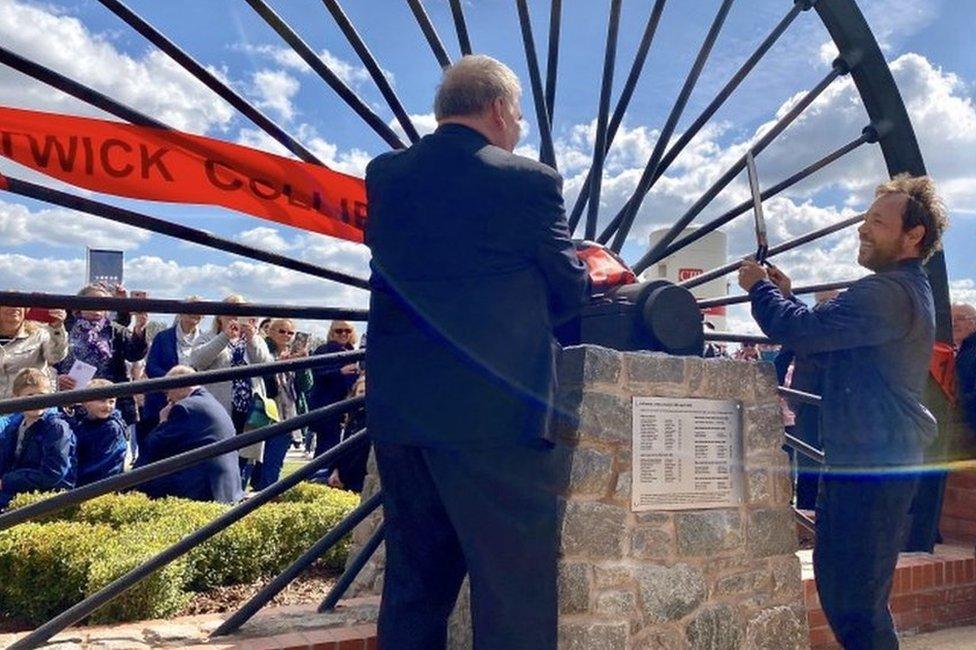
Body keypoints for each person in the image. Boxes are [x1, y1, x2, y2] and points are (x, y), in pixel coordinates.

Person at [365, 55, 589, 649]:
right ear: (496, 109)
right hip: (496, 419)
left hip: (403, 414)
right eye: (517, 116)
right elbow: (569, 291)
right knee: (513, 594)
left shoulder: (385, 175)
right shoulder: (529, 182)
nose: (517, 128)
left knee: (414, 589)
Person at [739, 174, 947, 649]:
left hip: (874, 467)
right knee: (850, 595)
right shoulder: (902, 291)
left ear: (913, 235)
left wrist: (759, 290)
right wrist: (786, 299)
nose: (863, 229)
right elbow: (827, 339)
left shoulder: (887, 292)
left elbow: (808, 335)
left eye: (877, 221)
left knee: (854, 602)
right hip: (873, 460)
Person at [190, 295, 274, 481]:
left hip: (251, 409)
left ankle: (237, 496)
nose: (235, 316)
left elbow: (266, 364)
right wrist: (224, 337)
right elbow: (197, 361)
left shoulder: (255, 339)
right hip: (218, 406)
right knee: (218, 454)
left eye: (240, 312)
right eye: (230, 312)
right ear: (219, 316)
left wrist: (252, 338)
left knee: (244, 455)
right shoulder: (207, 337)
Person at [134, 366, 243, 503]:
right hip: (226, 484)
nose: (167, 398)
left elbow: (153, 445)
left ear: (178, 386)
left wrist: (162, 421)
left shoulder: (185, 407)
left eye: (168, 391)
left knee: (144, 482)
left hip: (205, 485)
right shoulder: (208, 400)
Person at [55, 284, 148, 426]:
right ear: (79, 304)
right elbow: (50, 360)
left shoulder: (114, 330)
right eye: (92, 301)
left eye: (103, 302)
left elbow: (134, 355)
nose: (97, 306)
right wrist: (56, 379)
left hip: (109, 404)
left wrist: (139, 330)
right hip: (72, 400)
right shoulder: (64, 327)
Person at [0, 368, 76, 509]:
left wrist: (6, 480)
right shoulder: (15, 425)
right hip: (19, 487)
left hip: (49, 493)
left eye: (41, 395)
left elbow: (53, 474)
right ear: (16, 397)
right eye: (29, 396)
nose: (36, 400)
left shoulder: (56, 427)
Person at [251, 318, 313, 490]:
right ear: (270, 331)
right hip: (262, 412)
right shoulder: (262, 349)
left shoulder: (293, 354)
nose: (286, 335)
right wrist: (278, 365)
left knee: (273, 463)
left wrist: (302, 364)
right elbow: (262, 381)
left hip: (287, 415)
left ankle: (266, 497)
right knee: (250, 462)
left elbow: (305, 386)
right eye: (281, 331)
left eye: (290, 333)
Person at [140, 298, 204, 445]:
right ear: (180, 313)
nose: (195, 314)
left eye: (200, 310)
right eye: (191, 309)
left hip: (191, 403)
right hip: (160, 401)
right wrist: (175, 383)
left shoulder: (205, 340)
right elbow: (151, 366)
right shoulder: (163, 337)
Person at [306, 321, 359, 458]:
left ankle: (327, 473)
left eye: (347, 331)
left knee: (338, 444)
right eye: (339, 331)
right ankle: (319, 473)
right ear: (331, 332)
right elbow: (318, 374)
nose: (343, 334)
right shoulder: (323, 350)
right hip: (326, 404)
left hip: (345, 404)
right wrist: (340, 371)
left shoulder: (353, 352)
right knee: (327, 443)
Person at [0, 301, 68, 401]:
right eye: (7, 304)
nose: (14, 308)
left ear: (26, 310)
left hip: (31, 406)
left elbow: (56, 356)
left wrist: (56, 328)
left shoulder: (39, 333)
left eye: (19, 304)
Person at [67, 378, 127, 486]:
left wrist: (74, 478)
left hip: (101, 483)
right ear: (86, 402)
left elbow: (105, 464)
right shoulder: (84, 423)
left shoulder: (112, 428)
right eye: (102, 401)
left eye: (111, 401)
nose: (107, 406)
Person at [326, 375, 368, 492]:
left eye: (367, 391)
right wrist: (335, 470)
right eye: (361, 391)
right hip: (344, 479)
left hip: (358, 480)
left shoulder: (371, 422)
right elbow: (342, 448)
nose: (364, 395)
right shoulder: (352, 419)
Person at [953, 302, 976, 434]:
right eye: (950, 319)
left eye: (960, 318)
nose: (954, 323)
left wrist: (948, 405)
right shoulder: (952, 351)